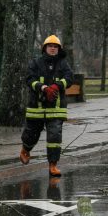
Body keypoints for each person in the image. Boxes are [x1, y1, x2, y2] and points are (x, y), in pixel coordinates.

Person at [19, 35, 73, 177]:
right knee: (31, 134)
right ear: (44, 48)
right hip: (36, 107)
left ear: (59, 49)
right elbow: (29, 79)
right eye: (50, 46)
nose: (53, 49)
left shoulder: (63, 63)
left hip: (56, 108)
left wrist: (56, 86)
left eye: (55, 47)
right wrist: (43, 88)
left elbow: (69, 78)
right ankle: (26, 149)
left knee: (54, 138)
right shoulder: (36, 63)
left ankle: (53, 165)